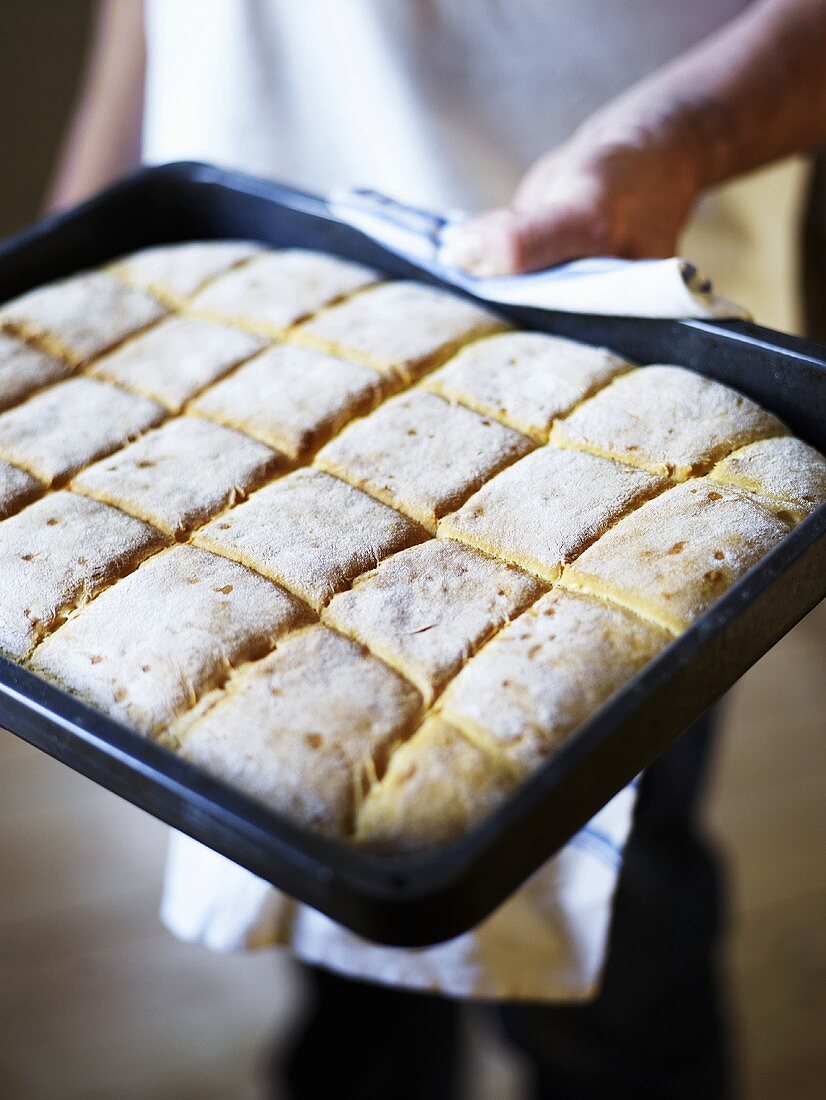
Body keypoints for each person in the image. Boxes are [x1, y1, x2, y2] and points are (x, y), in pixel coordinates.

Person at [48, 2, 826, 1096]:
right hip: (225, 305)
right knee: (336, 868)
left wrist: (691, 129)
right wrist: (91, 208)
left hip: (606, 334)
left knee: (616, 964)